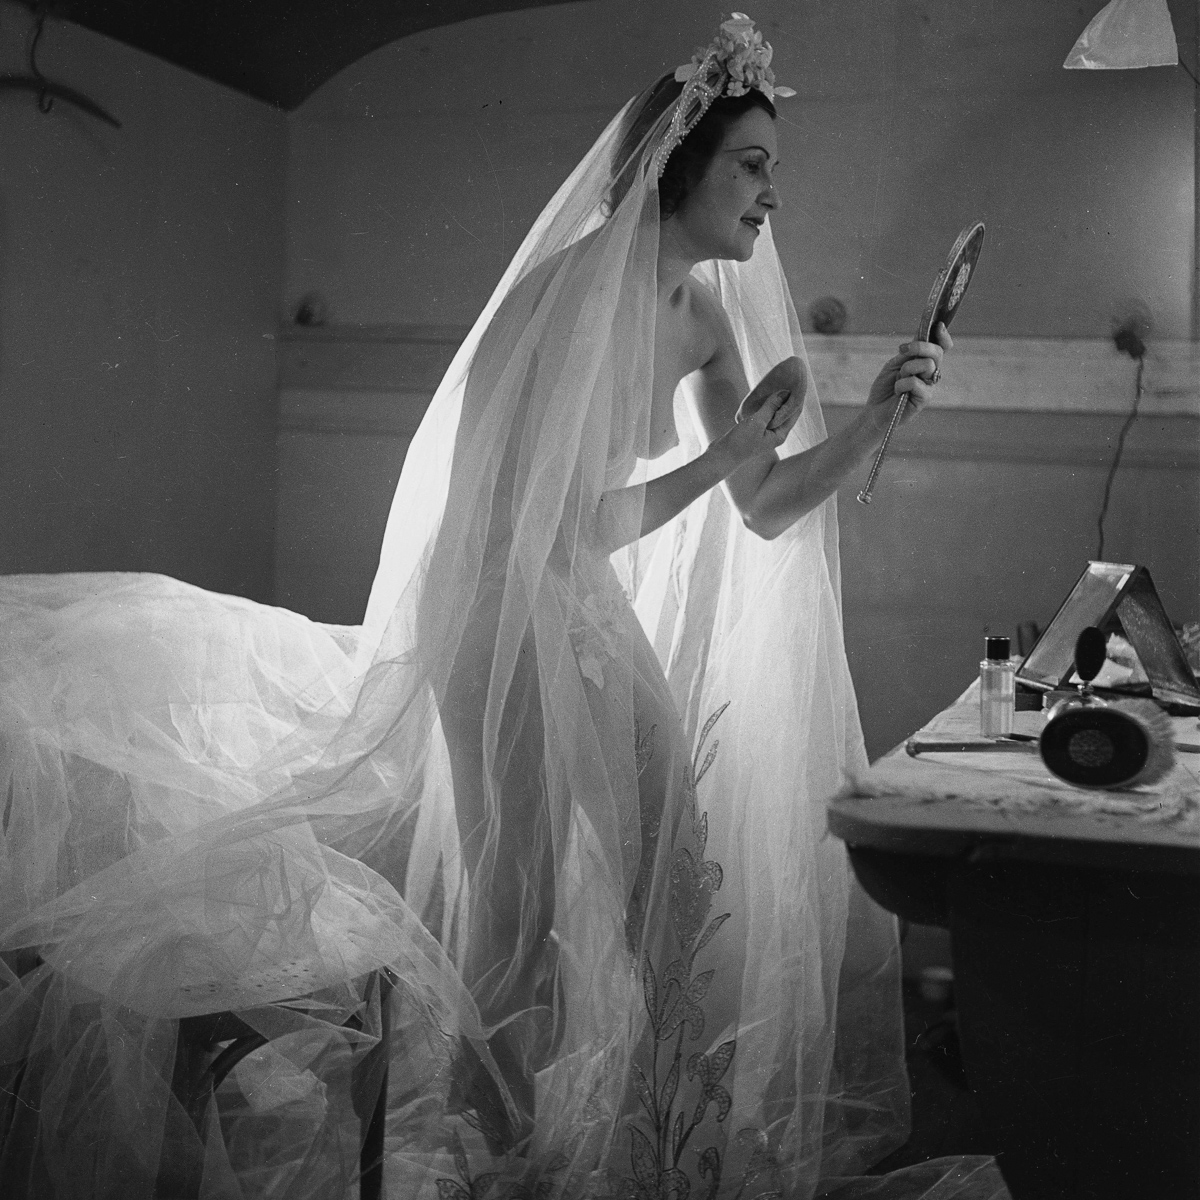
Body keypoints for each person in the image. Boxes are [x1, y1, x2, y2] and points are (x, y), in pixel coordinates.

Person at [0, 13, 1007, 1200]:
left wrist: (884, 413)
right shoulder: (569, 296)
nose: (771, 193)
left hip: (575, 606)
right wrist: (720, 450)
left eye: (772, 167)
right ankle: (500, 1152)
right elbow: (554, 525)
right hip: (495, 612)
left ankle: (649, 1143)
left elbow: (770, 502)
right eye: (752, 163)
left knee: (668, 866)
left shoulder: (703, 311)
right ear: (680, 165)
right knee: (520, 909)